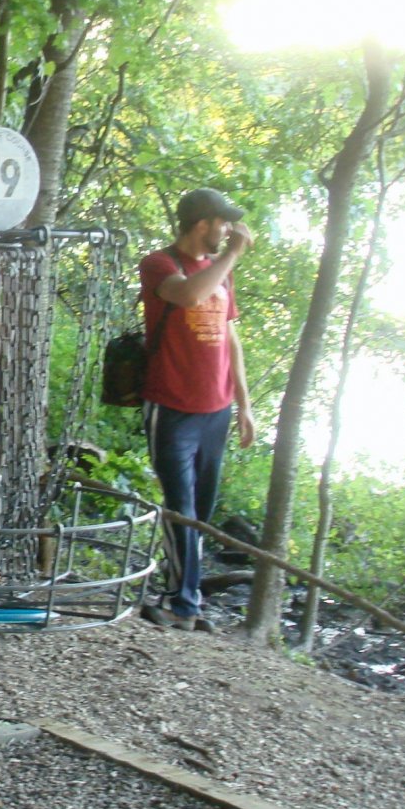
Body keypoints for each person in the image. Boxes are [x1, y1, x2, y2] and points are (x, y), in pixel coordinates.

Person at [139, 187, 256, 632]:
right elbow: (187, 297)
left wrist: (244, 406)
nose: (228, 231)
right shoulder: (159, 264)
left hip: (216, 410)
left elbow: (231, 340)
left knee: (200, 512)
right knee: (180, 506)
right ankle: (179, 601)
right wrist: (233, 255)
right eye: (222, 223)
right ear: (202, 224)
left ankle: (188, 600)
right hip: (172, 406)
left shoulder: (219, 272)